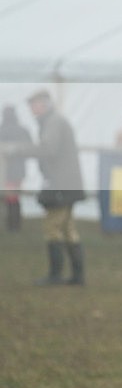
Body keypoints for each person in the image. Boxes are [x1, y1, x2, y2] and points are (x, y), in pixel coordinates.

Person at [13, 90, 86, 285]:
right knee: (68, 228)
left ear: (44, 104)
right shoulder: (55, 121)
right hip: (68, 183)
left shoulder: (53, 123)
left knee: (52, 226)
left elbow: (48, 149)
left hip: (61, 185)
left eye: (34, 104)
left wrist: (18, 150)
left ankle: (55, 275)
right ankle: (77, 276)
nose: (31, 108)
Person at [0, 105, 32, 230]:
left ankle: (12, 226)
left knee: (10, 198)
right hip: (18, 171)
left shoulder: (2, 130)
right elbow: (30, 148)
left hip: (6, 171)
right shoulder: (23, 130)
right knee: (14, 198)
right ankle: (15, 225)